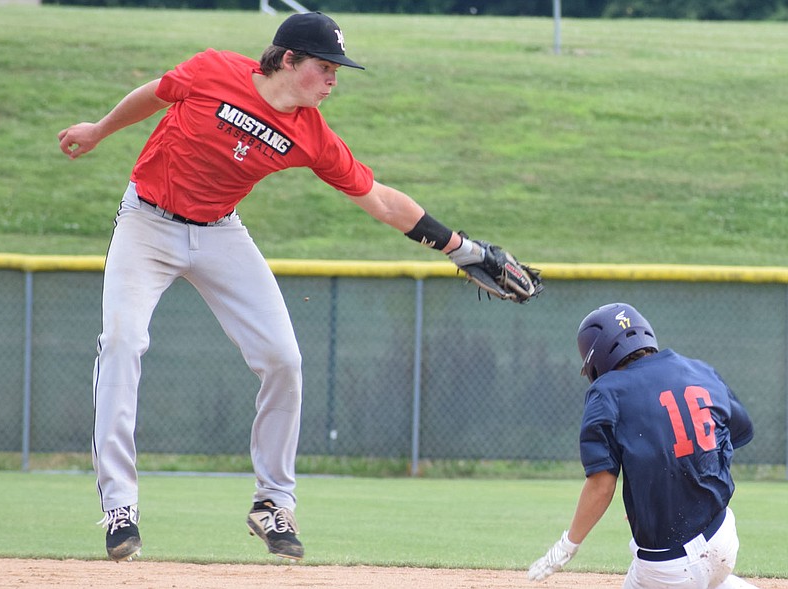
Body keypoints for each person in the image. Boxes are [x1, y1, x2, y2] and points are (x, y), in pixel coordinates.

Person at [58, 11, 494, 563]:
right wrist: (99, 130)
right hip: (146, 222)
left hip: (220, 232)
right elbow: (156, 93)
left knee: (283, 358)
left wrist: (461, 248)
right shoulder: (213, 71)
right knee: (121, 343)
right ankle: (120, 506)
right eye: (325, 66)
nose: (334, 79)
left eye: (338, 69)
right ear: (287, 60)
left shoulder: (310, 133)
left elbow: (380, 199)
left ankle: (273, 504)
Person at [527, 302, 758, 589]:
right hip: (724, 537)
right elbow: (729, 434)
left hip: (669, 567)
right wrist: (664, 495)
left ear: (596, 356)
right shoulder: (698, 369)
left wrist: (567, 546)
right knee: (707, 577)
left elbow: (601, 485)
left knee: (674, 577)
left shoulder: (607, 392)